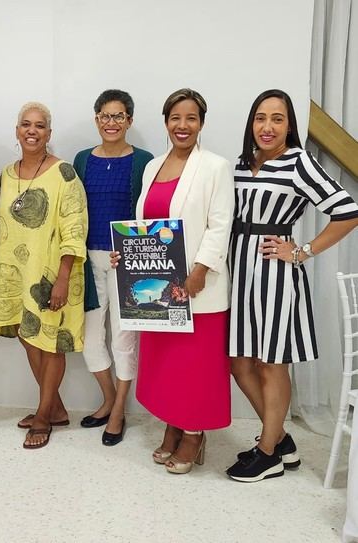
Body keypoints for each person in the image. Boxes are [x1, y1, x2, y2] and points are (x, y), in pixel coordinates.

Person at [226, 89, 358, 482]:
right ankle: (279, 436)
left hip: (275, 274)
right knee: (238, 361)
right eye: (260, 118)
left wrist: (301, 251)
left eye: (277, 119)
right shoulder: (240, 163)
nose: (267, 127)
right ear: (251, 123)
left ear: (289, 125)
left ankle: (268, 453)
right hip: (239, 273)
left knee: (270, 362)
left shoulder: (298, 162)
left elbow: (347, 211)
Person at [111, 88, 234, 473]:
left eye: (191, 118)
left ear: (201, 123)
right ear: (165, 122)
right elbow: (147, 226)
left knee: (196, 367)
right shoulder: (153, 167)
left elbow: (219, 225)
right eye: (175, 118)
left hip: (199, 288)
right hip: (161, 293)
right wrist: (127, 255)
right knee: (166, 366)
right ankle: (172, 424)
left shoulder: (215, 166)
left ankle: (194, 434)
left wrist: (199, 271)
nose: (183, 125)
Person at [0, 102, 88, 449]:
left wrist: (62, 278)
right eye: (25, 124)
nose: (32, 131)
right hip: (16, 274)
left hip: (51, 274)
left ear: (49, 133)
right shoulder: (7, 173)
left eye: (40, 126)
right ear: (16, 130)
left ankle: (44, 414)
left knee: (51, 343)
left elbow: (74, 229)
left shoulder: (64, 173)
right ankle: (56, 407)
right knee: (28, 336)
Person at [73, 89, 153, 446]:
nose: (111, 122)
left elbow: (150, 213)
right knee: (91, 342)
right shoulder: (81, 160)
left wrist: (137, 250)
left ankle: (119, 409)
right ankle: (107, 398)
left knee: (124, 341)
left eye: (119, 116)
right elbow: (73, 210)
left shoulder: (145, 161)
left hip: (128, 263)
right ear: (96, 119)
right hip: (89, 260)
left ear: (130, 121)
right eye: (105, 115)